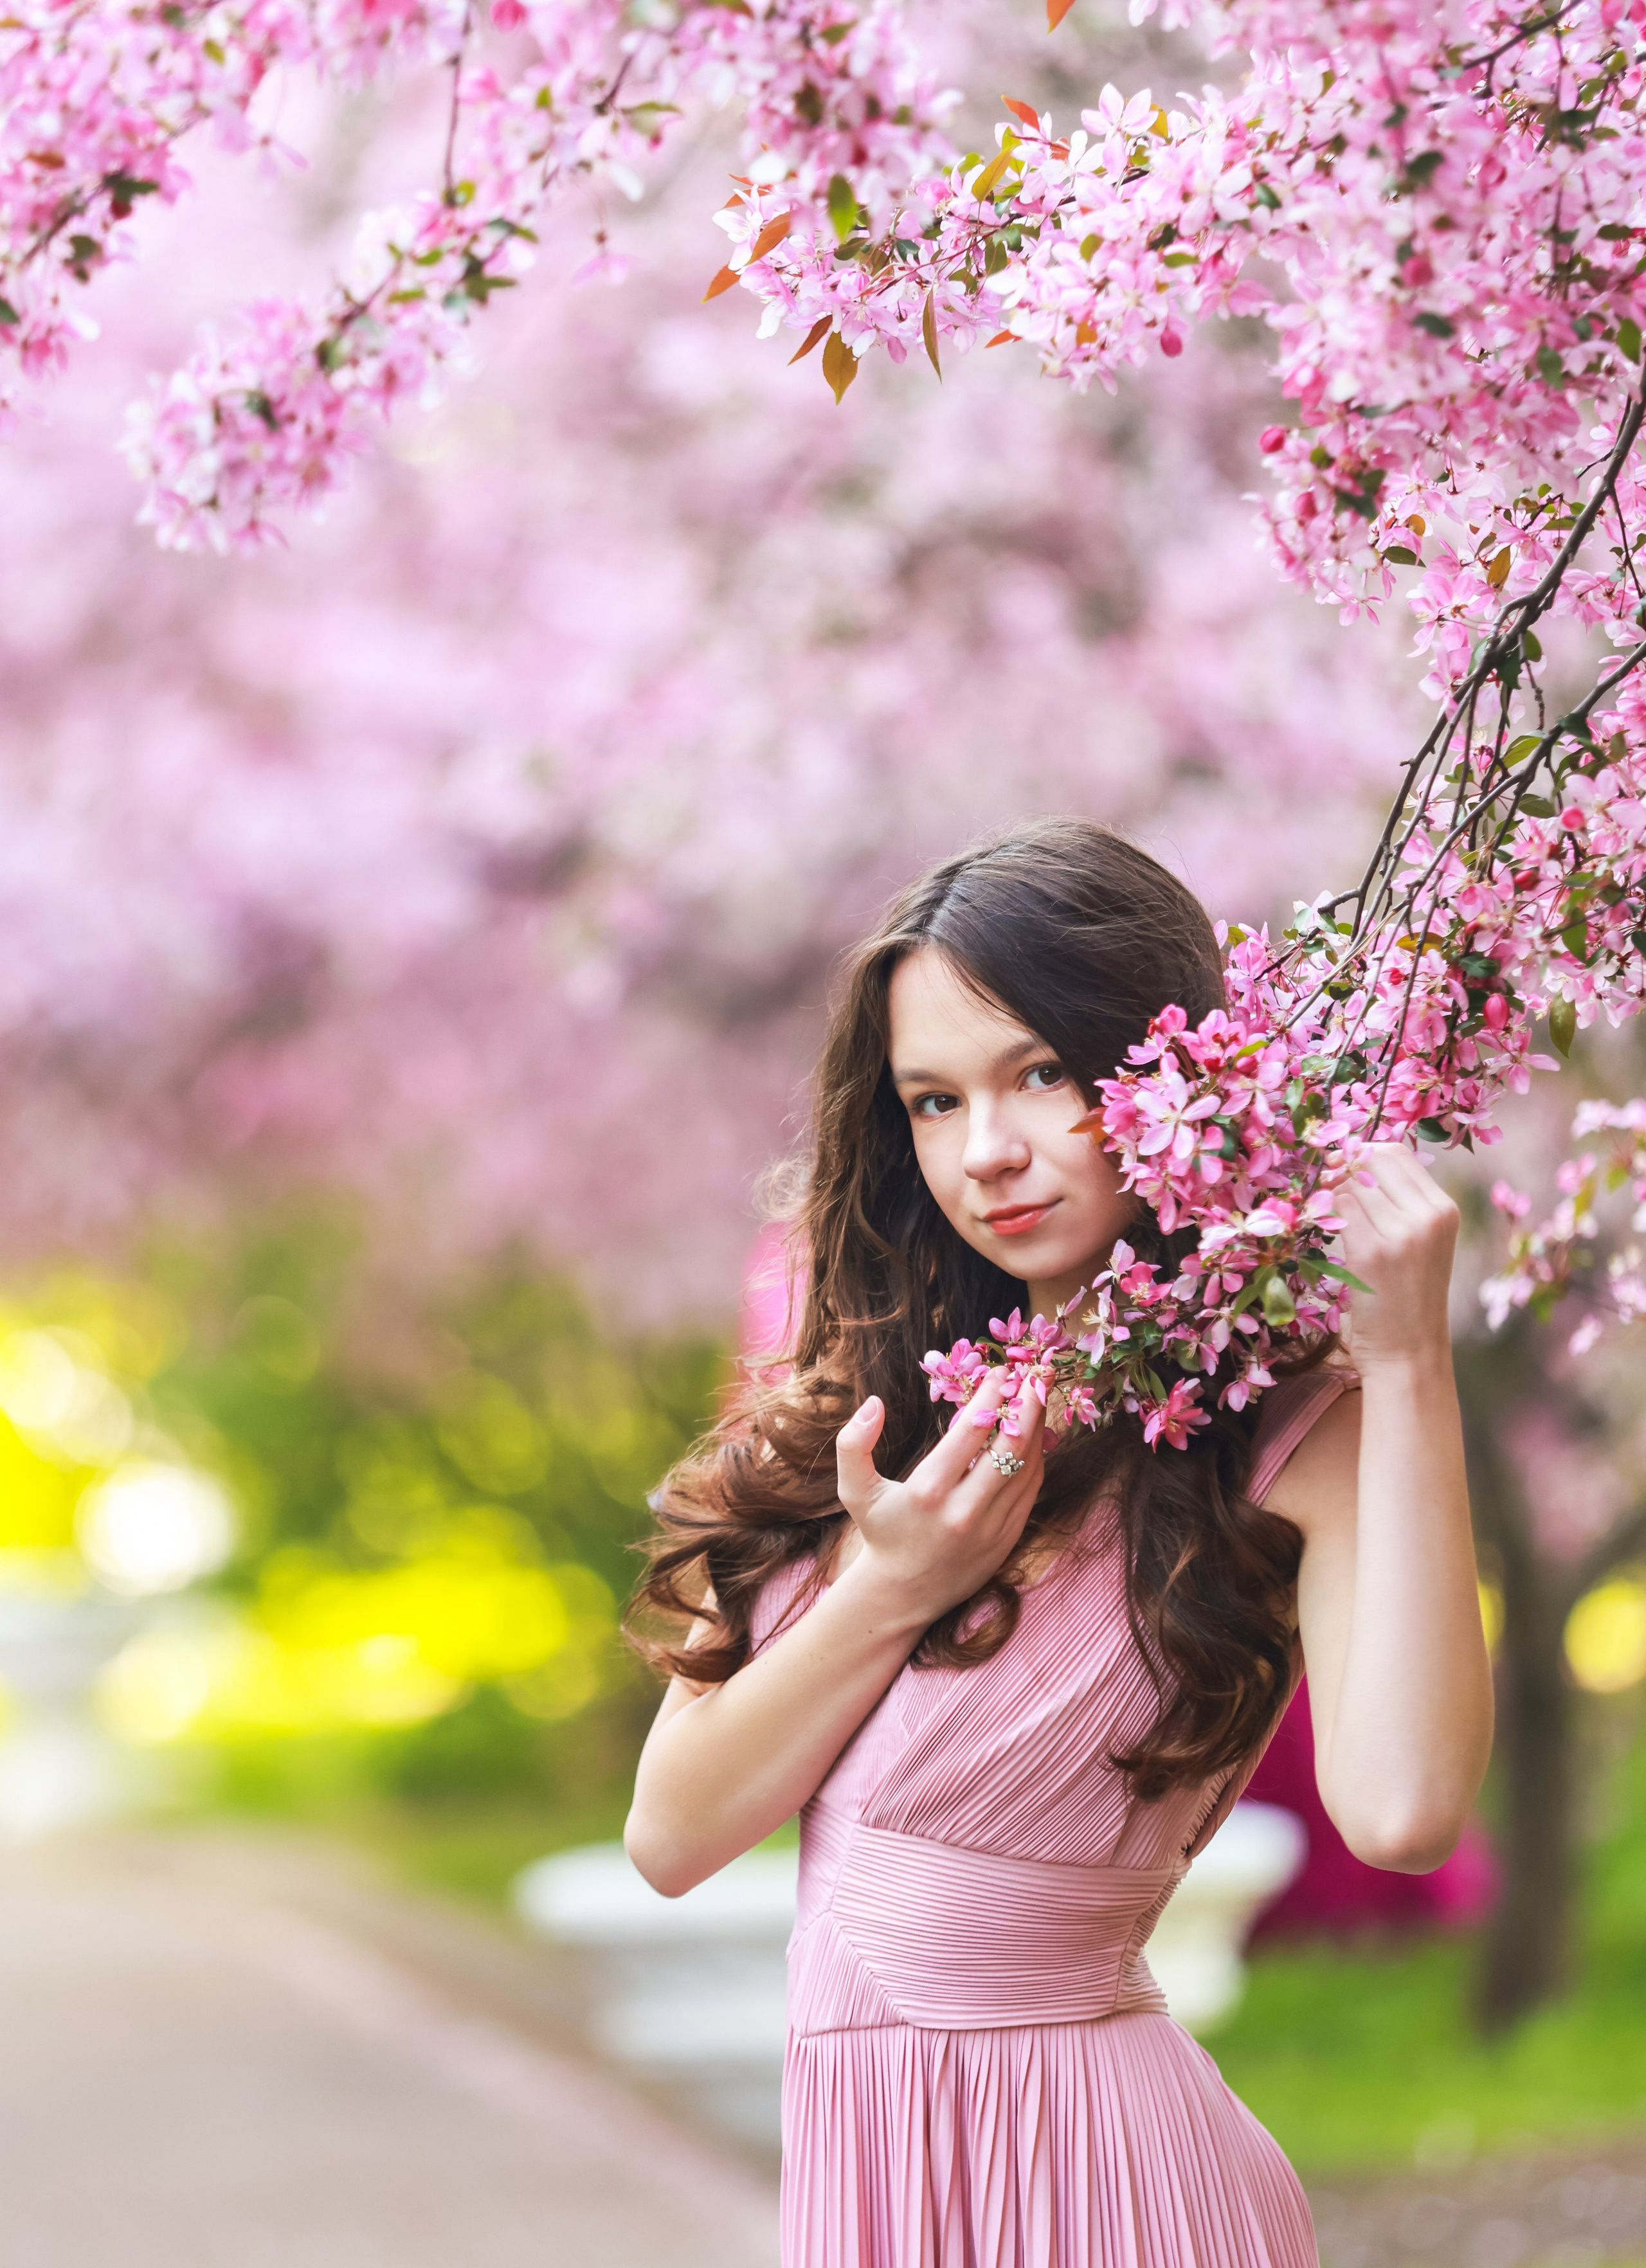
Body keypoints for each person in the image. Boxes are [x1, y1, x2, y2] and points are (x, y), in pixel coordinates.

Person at [625, 819, 1494, 2268]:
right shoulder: (867, 1416)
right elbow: (672, 1834)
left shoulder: (1288, 1433)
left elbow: (1402, 1814)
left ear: (1168, 1073)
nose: (990, 1152)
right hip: (881, 2186)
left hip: (1122, 2194)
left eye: (1040, 1073)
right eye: (934, 1101)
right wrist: (895, 1585)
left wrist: (1410, 1372)